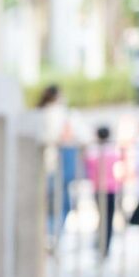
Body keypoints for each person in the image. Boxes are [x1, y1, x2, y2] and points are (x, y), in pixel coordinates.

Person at [37, 84, 79, 248]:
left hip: (44, 165)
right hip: (58, 164)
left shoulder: (40, 113)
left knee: (48, 203)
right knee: (61, 204)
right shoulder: (61, 113)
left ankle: (48, 236)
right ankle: (53, 236)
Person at [85, 125, 123, 258]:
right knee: (109, 218)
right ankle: (105, 246)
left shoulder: (93, 153)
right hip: (111, 189)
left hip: (98, 189)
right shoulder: (113, 152)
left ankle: (101, 243)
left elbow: (89, 171)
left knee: (102, 217)